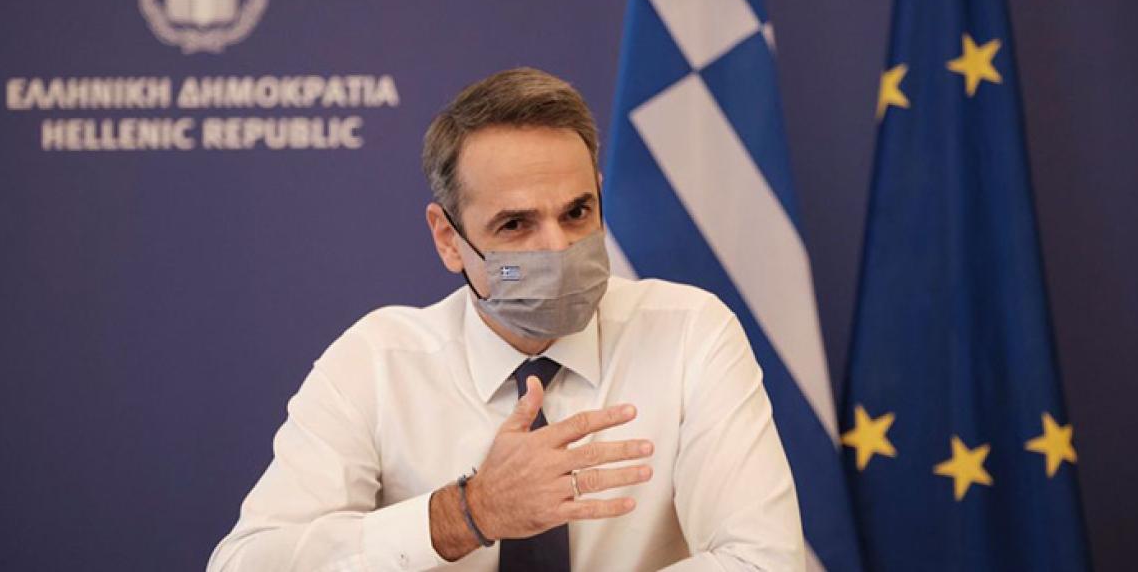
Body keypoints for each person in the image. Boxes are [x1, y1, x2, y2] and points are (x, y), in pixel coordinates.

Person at [208, 68, 803, 571]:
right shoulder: (376, 362)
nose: (557, 247)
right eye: (516, 225)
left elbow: (764, 561)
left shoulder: (690, 333)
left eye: (577, 213)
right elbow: (245, 563)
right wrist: (467, 513)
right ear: (448, 239)